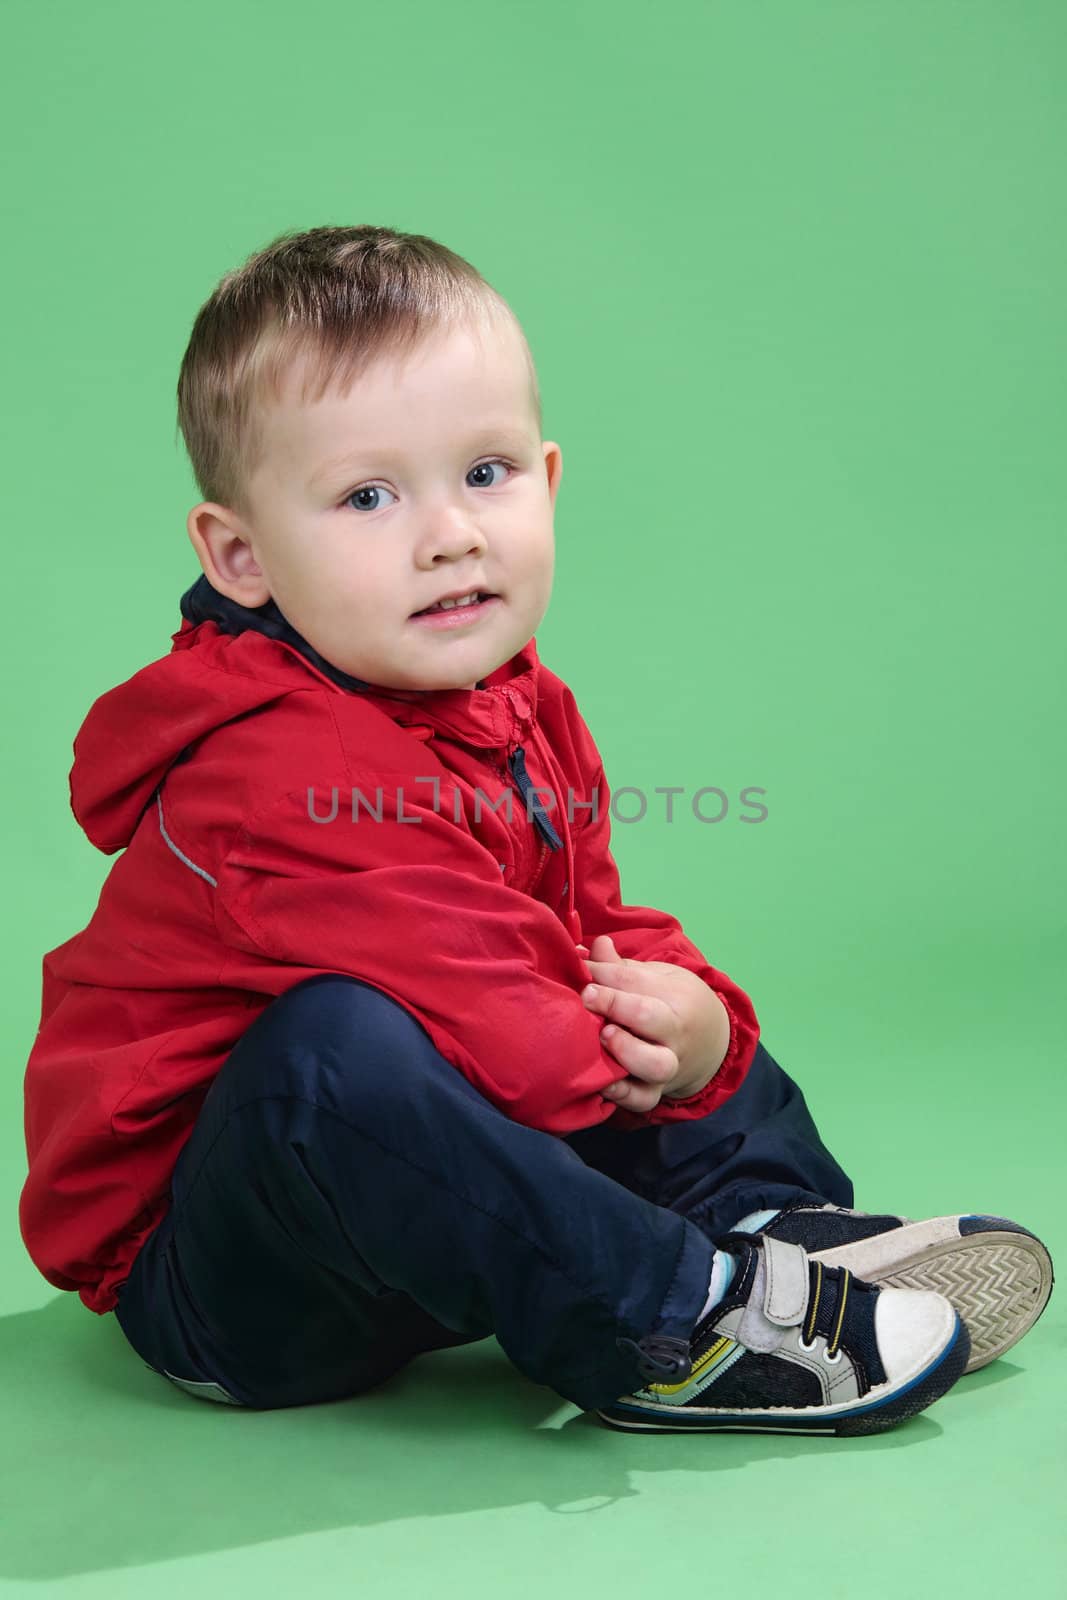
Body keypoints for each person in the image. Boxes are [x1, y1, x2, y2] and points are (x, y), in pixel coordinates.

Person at [19, 225, 1053, 1434]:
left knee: (642, 981)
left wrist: (699, 1031)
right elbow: (511, 1039)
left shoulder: (514, 703)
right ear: (243, 556)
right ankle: (674, 1320)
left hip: (426, 1209)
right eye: (366, 495)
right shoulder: (277, 770)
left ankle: (770, 1225)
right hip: (237, 1279)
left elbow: (581, 925)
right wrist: (634, 1051)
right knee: (331, 1053)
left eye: (487, 472)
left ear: (548, 480)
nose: (450, 532)